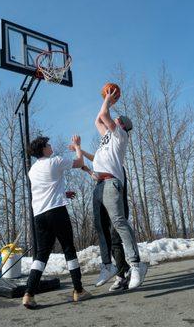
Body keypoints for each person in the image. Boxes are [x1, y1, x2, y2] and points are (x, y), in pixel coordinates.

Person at [22, 135, 92, 309]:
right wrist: (77, 146)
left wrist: (63, 193)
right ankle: (78, 290)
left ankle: (29, 294)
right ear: (44, 149)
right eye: (48, 144)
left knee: (41, 255)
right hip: (57, 212)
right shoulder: (55, 161)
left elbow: (47, 189)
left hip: (39, 215)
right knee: (68, 248)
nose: (50, 145)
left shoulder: (31, 171)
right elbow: (79, 162)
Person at [92, 87, 147, 289]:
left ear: (121, 125)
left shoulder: (120, 136)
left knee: (119, 223)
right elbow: (98, 120)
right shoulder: (107, 136)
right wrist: (107, 103)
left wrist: (108, 99)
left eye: (117, 119)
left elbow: (104, 115)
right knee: (101, 228)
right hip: (99, 185)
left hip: (111, 183)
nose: (113, 119)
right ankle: (108, 266)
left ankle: (136, 264)